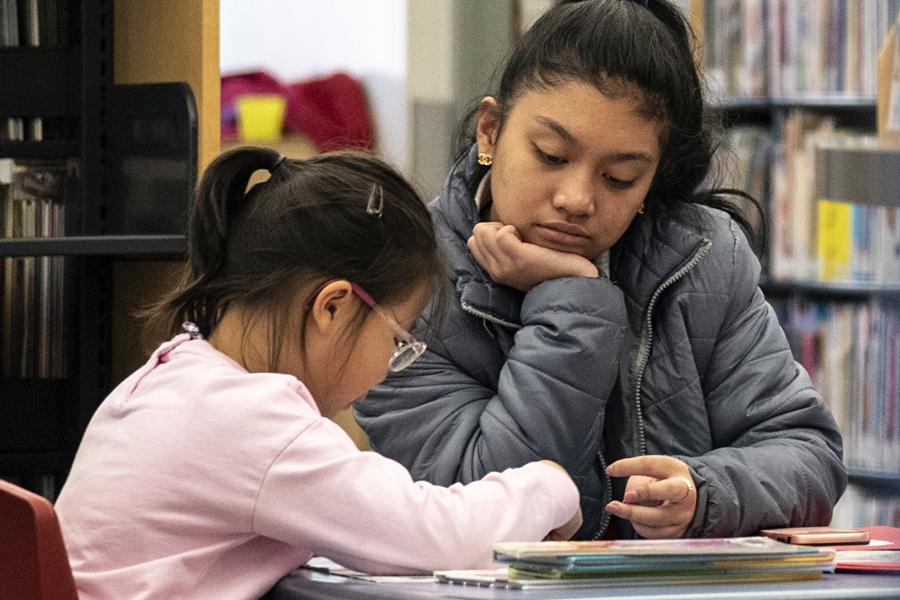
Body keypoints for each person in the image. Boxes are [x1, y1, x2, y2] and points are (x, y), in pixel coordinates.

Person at [356, 0, 847, 541]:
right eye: (550, 155)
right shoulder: (400, 284)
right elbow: (483, 508)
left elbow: (809, 455)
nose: (577, 199)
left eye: (619, 178)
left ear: (652, 181)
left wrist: (703, 492)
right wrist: (572, 300)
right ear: (490, 132)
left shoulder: (705, 257)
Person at [53, 148, 582, 600]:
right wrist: (548, 485)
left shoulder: (172, 375)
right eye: (397, 339)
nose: (387, 368)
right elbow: (430, 533)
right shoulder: (253, 420)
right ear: (332, 307)